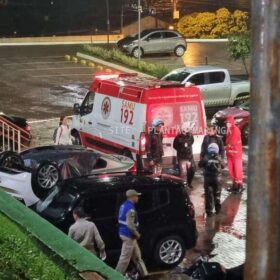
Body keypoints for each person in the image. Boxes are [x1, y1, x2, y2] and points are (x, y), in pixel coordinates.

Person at [116, 189, 148, 278]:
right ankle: (116, 275)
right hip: (128, 235)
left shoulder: (123, 205)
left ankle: (144, 274)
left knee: (137, 256)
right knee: (125, 258)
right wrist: (137, 234)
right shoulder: (130, 209)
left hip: (126, 234)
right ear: (132, 197)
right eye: (136, 196)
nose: (138, 198)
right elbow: (130, 225)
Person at [199, 143, 225, 217]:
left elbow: (200, 165)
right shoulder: (219, 157)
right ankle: (218, 210)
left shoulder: (206, 157)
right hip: (217, 179)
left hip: (207, 179)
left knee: (208, 196)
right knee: (217, 195)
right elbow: (223, 166)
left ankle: (209, 212)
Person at [225, 115, 244, 193]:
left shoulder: (235, 130)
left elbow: (231, 142)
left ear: (232, 122)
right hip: (230, 154)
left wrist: (226, 147)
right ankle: (234, 185)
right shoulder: (229, 130)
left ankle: (240, 186)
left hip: (236, 154)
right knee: (231, 170)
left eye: (229, 122)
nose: (227, 124)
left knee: (237, 170)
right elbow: (228, 142)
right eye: (226, 123)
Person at [173, 122, 195, 186]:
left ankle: (189, 183)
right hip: (182, 158)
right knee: (183, 173)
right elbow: (175, 146)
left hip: (190, 157)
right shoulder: (178, 137)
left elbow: (192, 142)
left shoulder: (190, 136)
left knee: (192, 171)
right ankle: (183, 186)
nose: (190, 129)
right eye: (188, 128)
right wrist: (181, 150)